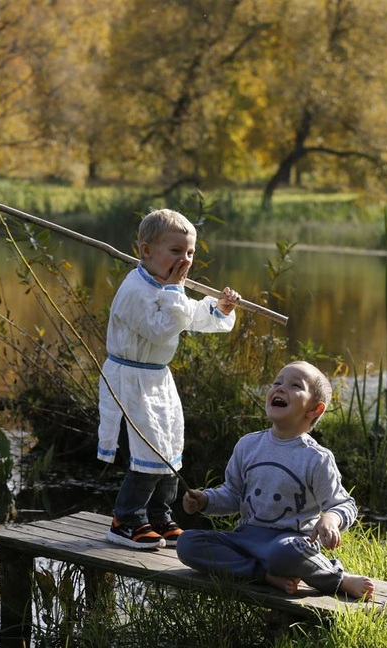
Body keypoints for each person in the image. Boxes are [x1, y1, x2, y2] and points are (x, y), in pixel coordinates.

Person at [98, 208, 240, 549]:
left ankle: (159, 515)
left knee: (169, 448)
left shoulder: (167, 285)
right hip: (130, 379)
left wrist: (219, 309)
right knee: (148, 449)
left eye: (190, 252)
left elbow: (187, 315)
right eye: (176, 251)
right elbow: (162, 329)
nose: (185, 260)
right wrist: (176, 289)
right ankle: (126, 519)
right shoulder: (135, 290)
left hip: (157, 379)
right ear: (146, 251)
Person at [176, 361, 376, 600]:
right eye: (277, 382)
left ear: (314, 409)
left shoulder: (316, 458)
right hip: (245, 538)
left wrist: (331, 519)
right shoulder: (248, 445)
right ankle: (264, 575)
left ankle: (337, 579)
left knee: (286, 554)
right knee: (187, 543)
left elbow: (344, 504)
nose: (280, 388)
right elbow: (233, 494)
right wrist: (206, 500)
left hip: (288, 543)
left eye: (294, 385)